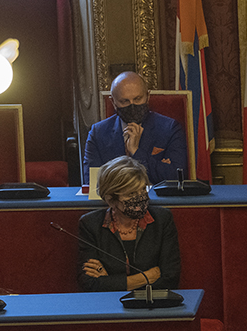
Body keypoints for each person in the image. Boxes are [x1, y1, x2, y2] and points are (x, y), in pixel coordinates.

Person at [78, 156, 181, 292]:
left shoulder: (162, 219)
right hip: (108, 306)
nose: (140, 198)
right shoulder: (90, 224)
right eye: (132, 194)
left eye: (143, 190)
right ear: (111, 200)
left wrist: (111, 282)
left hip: (153, 305)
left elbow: (170, 278)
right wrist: (149, 277)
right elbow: (89, 283)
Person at [83, 71, 186, 184]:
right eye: (124, 101)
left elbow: (175, 176)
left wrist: (136, 151)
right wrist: (157, 168)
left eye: (137, 99)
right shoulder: (98, 133)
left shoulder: (169, 128)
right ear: (113, 101)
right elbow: (92, 182)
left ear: (147, 96)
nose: (132, 106)